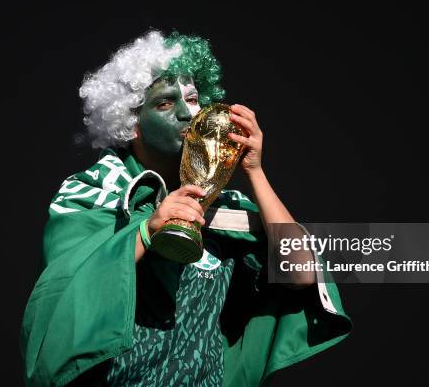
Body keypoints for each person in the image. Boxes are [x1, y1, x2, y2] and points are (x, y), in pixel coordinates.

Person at [20, 30, 352, 387]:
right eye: (164, 103)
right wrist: (147, 231)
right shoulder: (92, 192)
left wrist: (253, 169)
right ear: (131, 123)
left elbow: (301, 273)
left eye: (192, 99)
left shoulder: (226, 209)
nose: (186, 113)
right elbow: (63, 292)